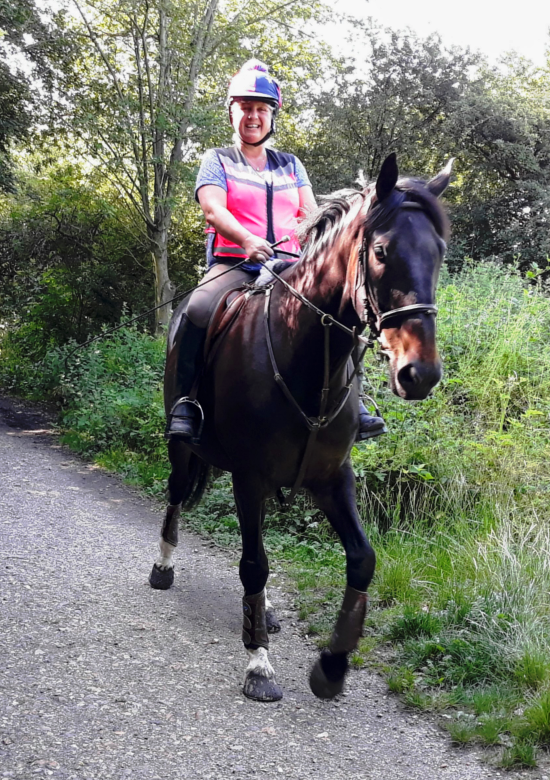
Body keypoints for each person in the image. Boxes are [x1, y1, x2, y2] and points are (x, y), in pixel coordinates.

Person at [167, 59, 386, 441]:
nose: (253, 116)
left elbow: (311, 213)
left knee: (339, 310)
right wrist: (247, 240)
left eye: (261, 109)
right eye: (245, 107)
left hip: (290, 266)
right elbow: (213, 209)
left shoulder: (291, 164)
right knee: (198, 309)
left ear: (272, 117)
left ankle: (357, 400)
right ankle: (186, 402)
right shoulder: (216, 160)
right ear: (232, 112)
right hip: (235, 263)